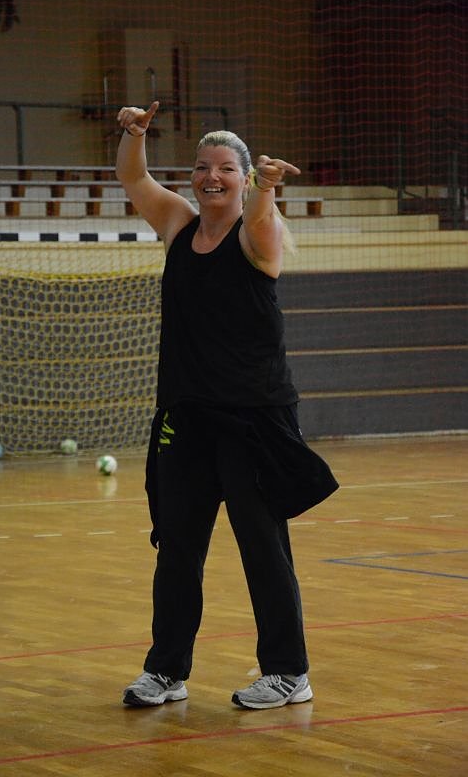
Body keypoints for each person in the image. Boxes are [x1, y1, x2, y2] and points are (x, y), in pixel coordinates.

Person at [115, 101, 338, 710]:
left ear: (242, 179)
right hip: (187, 418)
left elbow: (264, 221)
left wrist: (268, 187)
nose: (211, 177)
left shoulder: (257, 235)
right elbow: (134, 179)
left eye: (226, 170)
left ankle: (289, 673)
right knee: (178, 548)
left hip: (252, 418)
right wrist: (134, 134)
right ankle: (166, 672)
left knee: (262, 547)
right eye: (202, 167)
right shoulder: (179, 227)